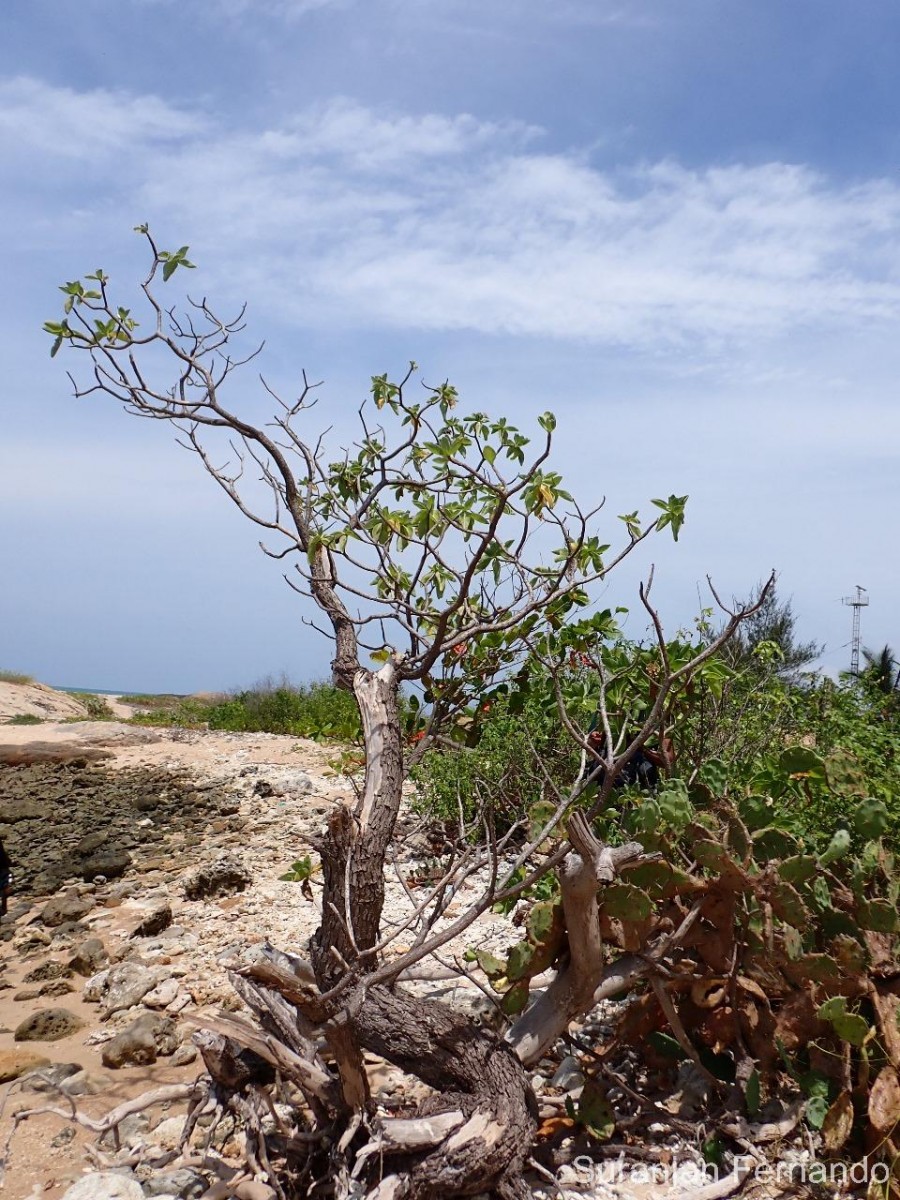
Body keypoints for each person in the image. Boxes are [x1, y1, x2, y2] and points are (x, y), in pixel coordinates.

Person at [0, 838, 11, 919]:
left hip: (3, 865)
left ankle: (3, 909)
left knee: (4, 886)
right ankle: (4, 908)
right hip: (3, 865)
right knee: (5, 886)